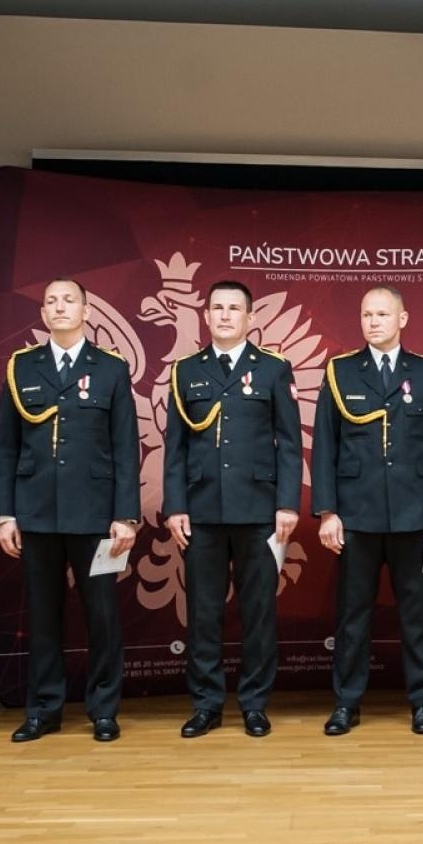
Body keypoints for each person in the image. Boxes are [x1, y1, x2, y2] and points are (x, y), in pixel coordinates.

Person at [0, 278, 139, 743]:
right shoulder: (22, 367)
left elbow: (125, 447)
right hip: (36, 512)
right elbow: (7, 447)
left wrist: (126, 515)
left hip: (96, 514)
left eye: (69, 300)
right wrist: (6, 515)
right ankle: (43, 710)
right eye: (51, 302)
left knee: (102, 616)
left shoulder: (111, 368)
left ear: (86, 311)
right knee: (42, 616)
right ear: (42, 314)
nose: (59, 307)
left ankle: (104, 710)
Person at [312, 287, 423, 735]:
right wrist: (327, 512)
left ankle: (422, 703)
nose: (373, 322)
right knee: (352, 617)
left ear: (403, 319)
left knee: (418, 617)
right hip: (356, 515)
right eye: (367, 315)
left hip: (414, 515)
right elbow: (325, 446)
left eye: (382, 314)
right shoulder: (340, 371)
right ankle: (346, 703)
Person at [163, 280, 303, 739]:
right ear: (205, 316)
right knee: (204, 615)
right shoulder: (186, 371)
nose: (225, 315)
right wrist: (175, 506)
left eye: (234, 308)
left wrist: (287, 503)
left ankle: (254, 704)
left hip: (259, 510)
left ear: (250, 317)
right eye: (217, 308)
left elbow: (289, 443)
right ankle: (206, 705)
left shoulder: (273, 369)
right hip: (201, 511)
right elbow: (175, 448)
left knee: (258, 614)